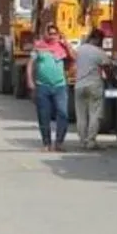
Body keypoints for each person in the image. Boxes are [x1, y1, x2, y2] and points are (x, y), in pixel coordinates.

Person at [27, 23, 72, 152]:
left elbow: (74, 57)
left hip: (60, 86)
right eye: (50, 33)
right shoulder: (39, 47)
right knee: (43, 115)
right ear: (46, 34)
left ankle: (59, 143)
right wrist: (30, 81)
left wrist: (66, 43)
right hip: (43, 86)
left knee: (63, 114)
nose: (52, 36)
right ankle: (46, 144)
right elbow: (30, 64)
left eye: (55, 34)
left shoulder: (62, 47)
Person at [73, 27, 111, 150]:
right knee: (94, 114)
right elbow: (107, 68)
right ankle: (91, 141)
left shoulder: (79, 50)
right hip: (94, 85)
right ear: (98, 39)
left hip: (79, 85)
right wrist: (111, 80)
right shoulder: (99, 52)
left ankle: (82, 141)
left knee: (81, 115)